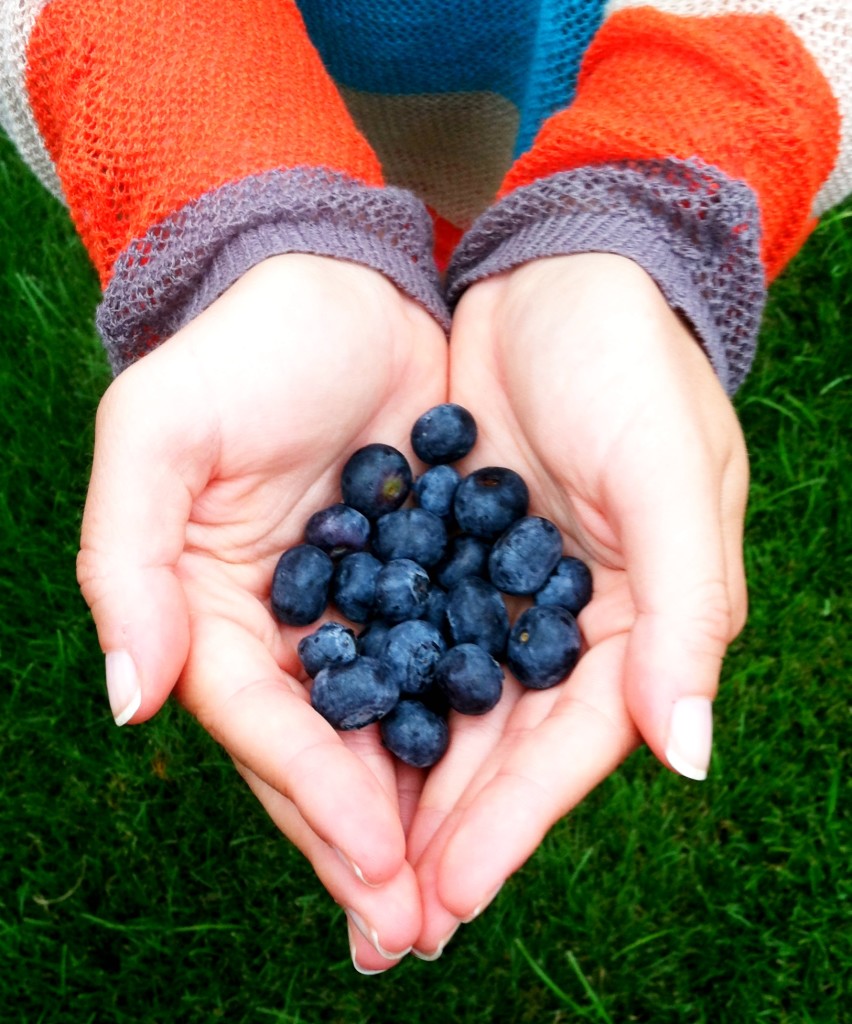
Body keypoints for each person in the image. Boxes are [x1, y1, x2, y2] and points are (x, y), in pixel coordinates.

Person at [1, 0, 849, 974]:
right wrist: (238, 211)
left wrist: (633, 212)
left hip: (586, 102)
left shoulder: (423, 568)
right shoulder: (403, 566)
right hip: (239, 103)